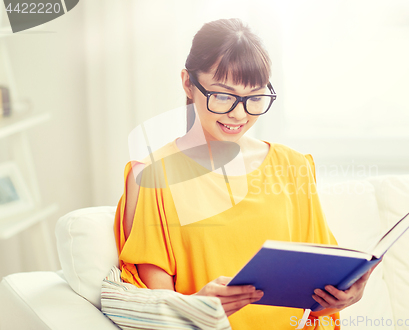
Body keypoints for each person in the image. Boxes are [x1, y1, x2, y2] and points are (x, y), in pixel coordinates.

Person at [114, 18, 376, 330]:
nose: (239, 114)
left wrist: (342, 294)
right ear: (188, 83)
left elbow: (315, 293)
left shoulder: (293, 166)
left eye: (254, 97)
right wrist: (198, 305)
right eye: (223, 96)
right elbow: (156, 305)